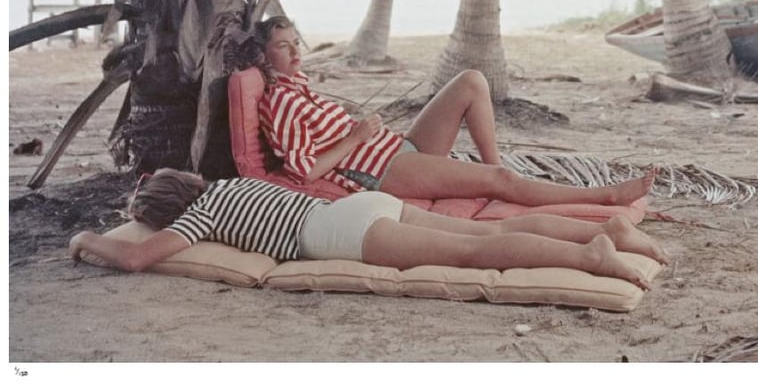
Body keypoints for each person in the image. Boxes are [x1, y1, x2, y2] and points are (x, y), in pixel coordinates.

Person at [255, 16, 655, 207]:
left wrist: (359, 131)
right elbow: (304, 172)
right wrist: (357, 137)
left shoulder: (299, 87)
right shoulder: (280, 101)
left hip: (399, 149)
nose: (295, 52)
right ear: (264, 55)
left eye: (296, 42)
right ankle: (603, 197)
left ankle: (500, 177)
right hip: (383, 171)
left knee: (471, 81)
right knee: (497, 178)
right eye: (283, 46)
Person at [68, 169, 665, 285]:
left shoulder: (202, 216)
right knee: (484, 236)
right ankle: (610, 225)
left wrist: (85, 239)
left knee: (474, 255)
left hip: (338, 237)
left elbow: (136, 259)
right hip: (357, 208)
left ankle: (591, 257)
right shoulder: (229, 186)